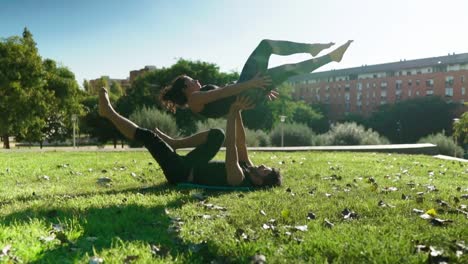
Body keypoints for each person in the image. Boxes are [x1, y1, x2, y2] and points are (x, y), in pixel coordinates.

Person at [98, 87, 282, 187]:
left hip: (181, 173)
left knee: (149, 136)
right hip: (192, 163)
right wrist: (238, 108)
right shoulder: (248, 167)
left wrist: (232, 112)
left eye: (266, 171)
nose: (264, 166)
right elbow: (241, 142)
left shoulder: (238, 178)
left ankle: (108, 113)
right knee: (217, 135)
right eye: (267, 167)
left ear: (259, 182)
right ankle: (176, 144)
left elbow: (232, 147)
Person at [160, 39, 353, 118]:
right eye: (192, 80)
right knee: (265, 46)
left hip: (247, 92)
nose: (197, 81)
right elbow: (223, 93)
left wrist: (260, 91)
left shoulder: (198, 97)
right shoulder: (194, 99)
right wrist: (252, 85)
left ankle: (330, 57)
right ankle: (312, 49)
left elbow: (226, 97)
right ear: (185, 88)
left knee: (287, 69)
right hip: (245, 91)